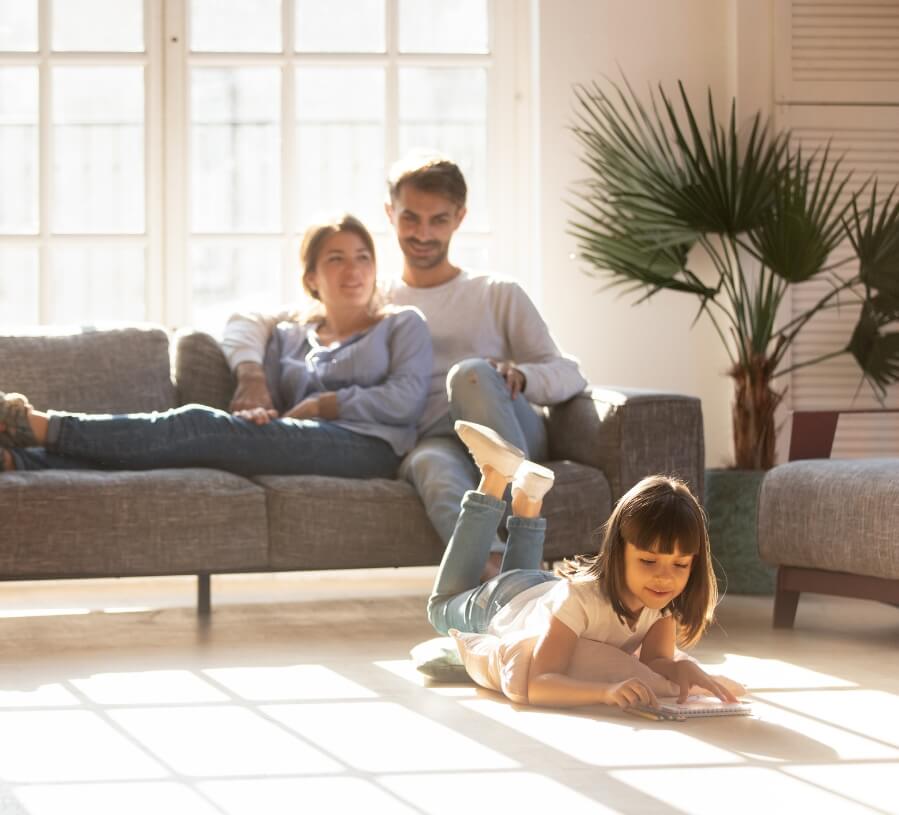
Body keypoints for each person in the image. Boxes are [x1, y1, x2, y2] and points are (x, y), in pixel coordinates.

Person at [222, 152, 587, 573]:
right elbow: (252, 319)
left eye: (439, 220)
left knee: (469, 374)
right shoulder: (377, 299)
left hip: (504, 426)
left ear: (460, 218)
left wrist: (520, 375)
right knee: (429, 465)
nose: (423, 233)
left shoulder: (496, 293)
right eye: (411, 218)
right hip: (435, 438)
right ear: (390, 214)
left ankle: (527, 539)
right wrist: (250, 374)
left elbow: (569, 373)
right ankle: (507, 580)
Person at [0, 214, 432, 478]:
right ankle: (21, 463)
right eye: (336, 258)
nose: (353, 270)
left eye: (363, 257)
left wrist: (323, 405)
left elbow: (405, 402)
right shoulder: (289, 337)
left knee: (197, 425)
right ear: (312, 278)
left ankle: (36, 426)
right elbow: (278, 406)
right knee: (183, 451)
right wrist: (260, 406)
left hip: (371, 448)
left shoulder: (402, 325)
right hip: (300, 440)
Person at [428, 420, 744, 709]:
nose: (665, 577)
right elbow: (539, 684)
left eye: (681, 565)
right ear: (618, 551)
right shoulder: (581, 600)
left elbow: (655, 661)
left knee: (522, 583)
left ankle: (528, 499)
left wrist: (678, 667)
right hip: (502, 601)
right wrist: (604, 692)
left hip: (539, 589)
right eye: (649, 560)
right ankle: (494, 479)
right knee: (440, 609)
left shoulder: (661, 602)